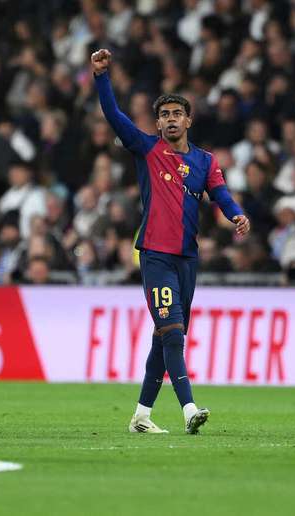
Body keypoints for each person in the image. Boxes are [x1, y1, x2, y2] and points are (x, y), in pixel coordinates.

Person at [91, 49, 249, 434]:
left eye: (177, 113)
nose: (170, 119)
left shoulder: (206, 161)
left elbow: (221, 194)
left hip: (187, 260)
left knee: (164, 339)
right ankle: (188, 408)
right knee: (173, 333)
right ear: (158, 123)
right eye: (164, 115)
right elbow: (114, 116)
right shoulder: (147, 150)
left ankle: (141, 415)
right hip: (156, 257)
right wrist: (101, 77)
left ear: (189, 120)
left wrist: (236, 215)